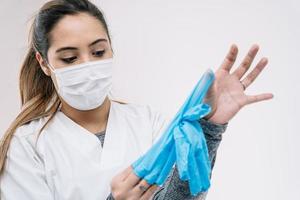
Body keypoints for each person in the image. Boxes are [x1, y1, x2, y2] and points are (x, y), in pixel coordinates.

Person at [0, 0, 273, 199]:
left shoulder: (147, 122)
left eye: (98, 52)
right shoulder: (28, 146)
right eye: (70, 58)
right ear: (44, 63)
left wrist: (210, 128)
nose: (87, 66)